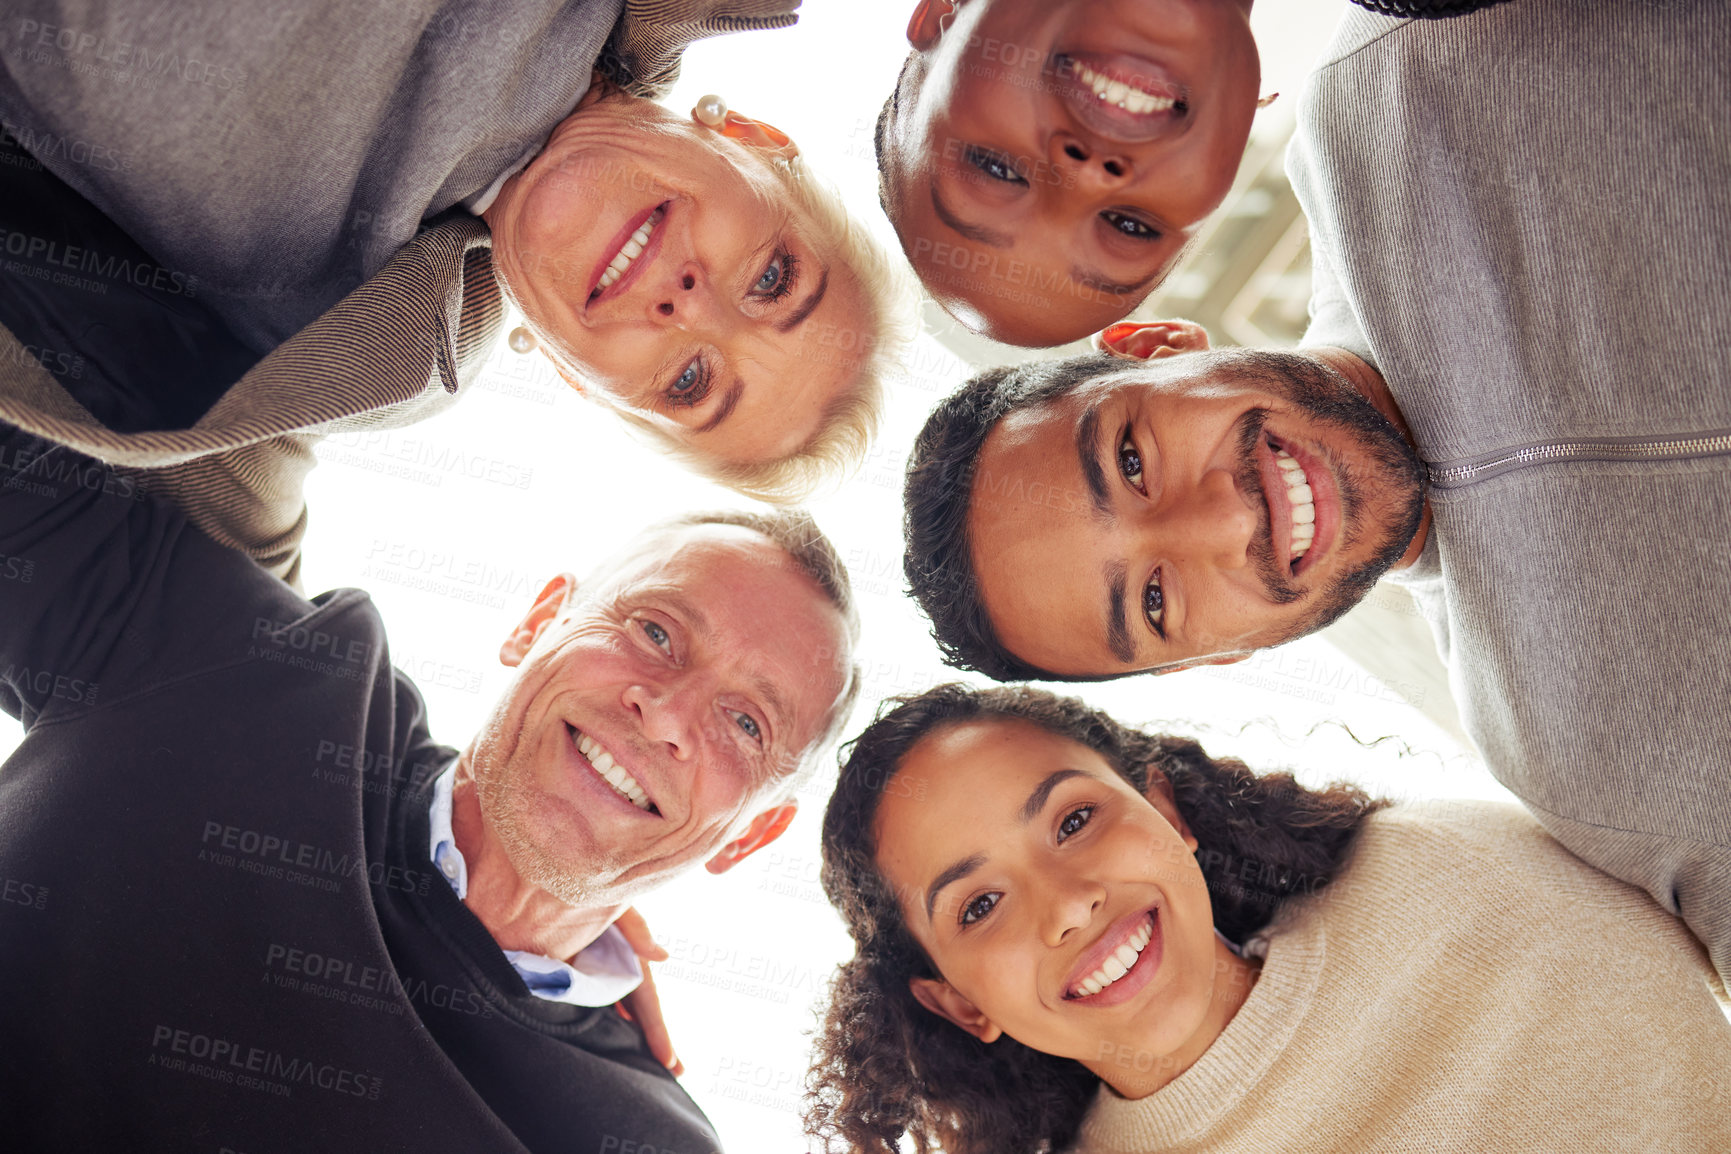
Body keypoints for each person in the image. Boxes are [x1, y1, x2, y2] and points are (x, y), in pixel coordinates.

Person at [898, 0, 1731, 982]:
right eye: (1156, 599)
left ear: (1156, 347)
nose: (1224, 516)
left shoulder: (1408, 84)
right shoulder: (1579, 761)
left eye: (1131, 459)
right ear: (1215, 655)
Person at [0, 418, 859, 1152]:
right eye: (655, 631)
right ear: (537, 622)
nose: (667, 716)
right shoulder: (260, 662)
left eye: (745, 725)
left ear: (746, 836)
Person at [0, 1, 910, 582]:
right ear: (752, 137)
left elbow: (221, 622)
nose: (690, 308)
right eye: (771, 279)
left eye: (689, 383)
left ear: (580, 385)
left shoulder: (353, 350)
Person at [805, 684, 1730, 1154]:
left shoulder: (1442, 868)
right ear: (962, 1004)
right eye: (979, 905)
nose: (1069, 902)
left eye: (1073, 820)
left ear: (1164, 814)